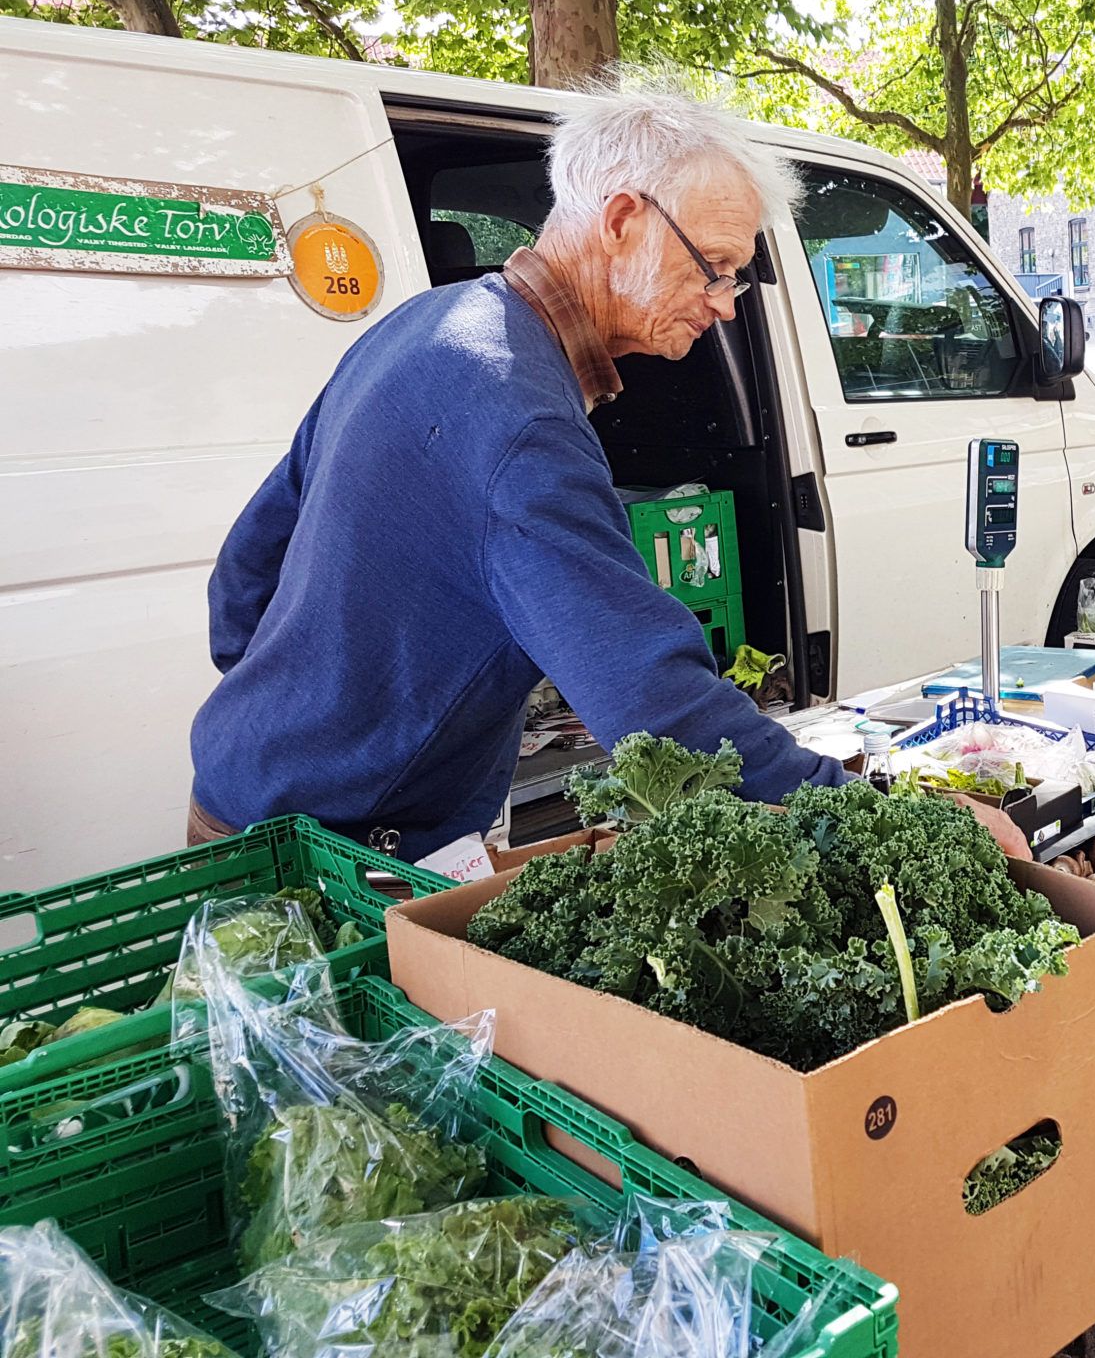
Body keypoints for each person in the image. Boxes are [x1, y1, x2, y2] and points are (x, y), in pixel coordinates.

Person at [189, 80, 1025, 862]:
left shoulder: (424, 325)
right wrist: (879, 822)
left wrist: (291, 715)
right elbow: (653, 703)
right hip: (328, 856)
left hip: (245, 800)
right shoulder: (518, 415)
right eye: (717, 268)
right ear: (622, 219)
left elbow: (244, 577)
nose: (727, 303)